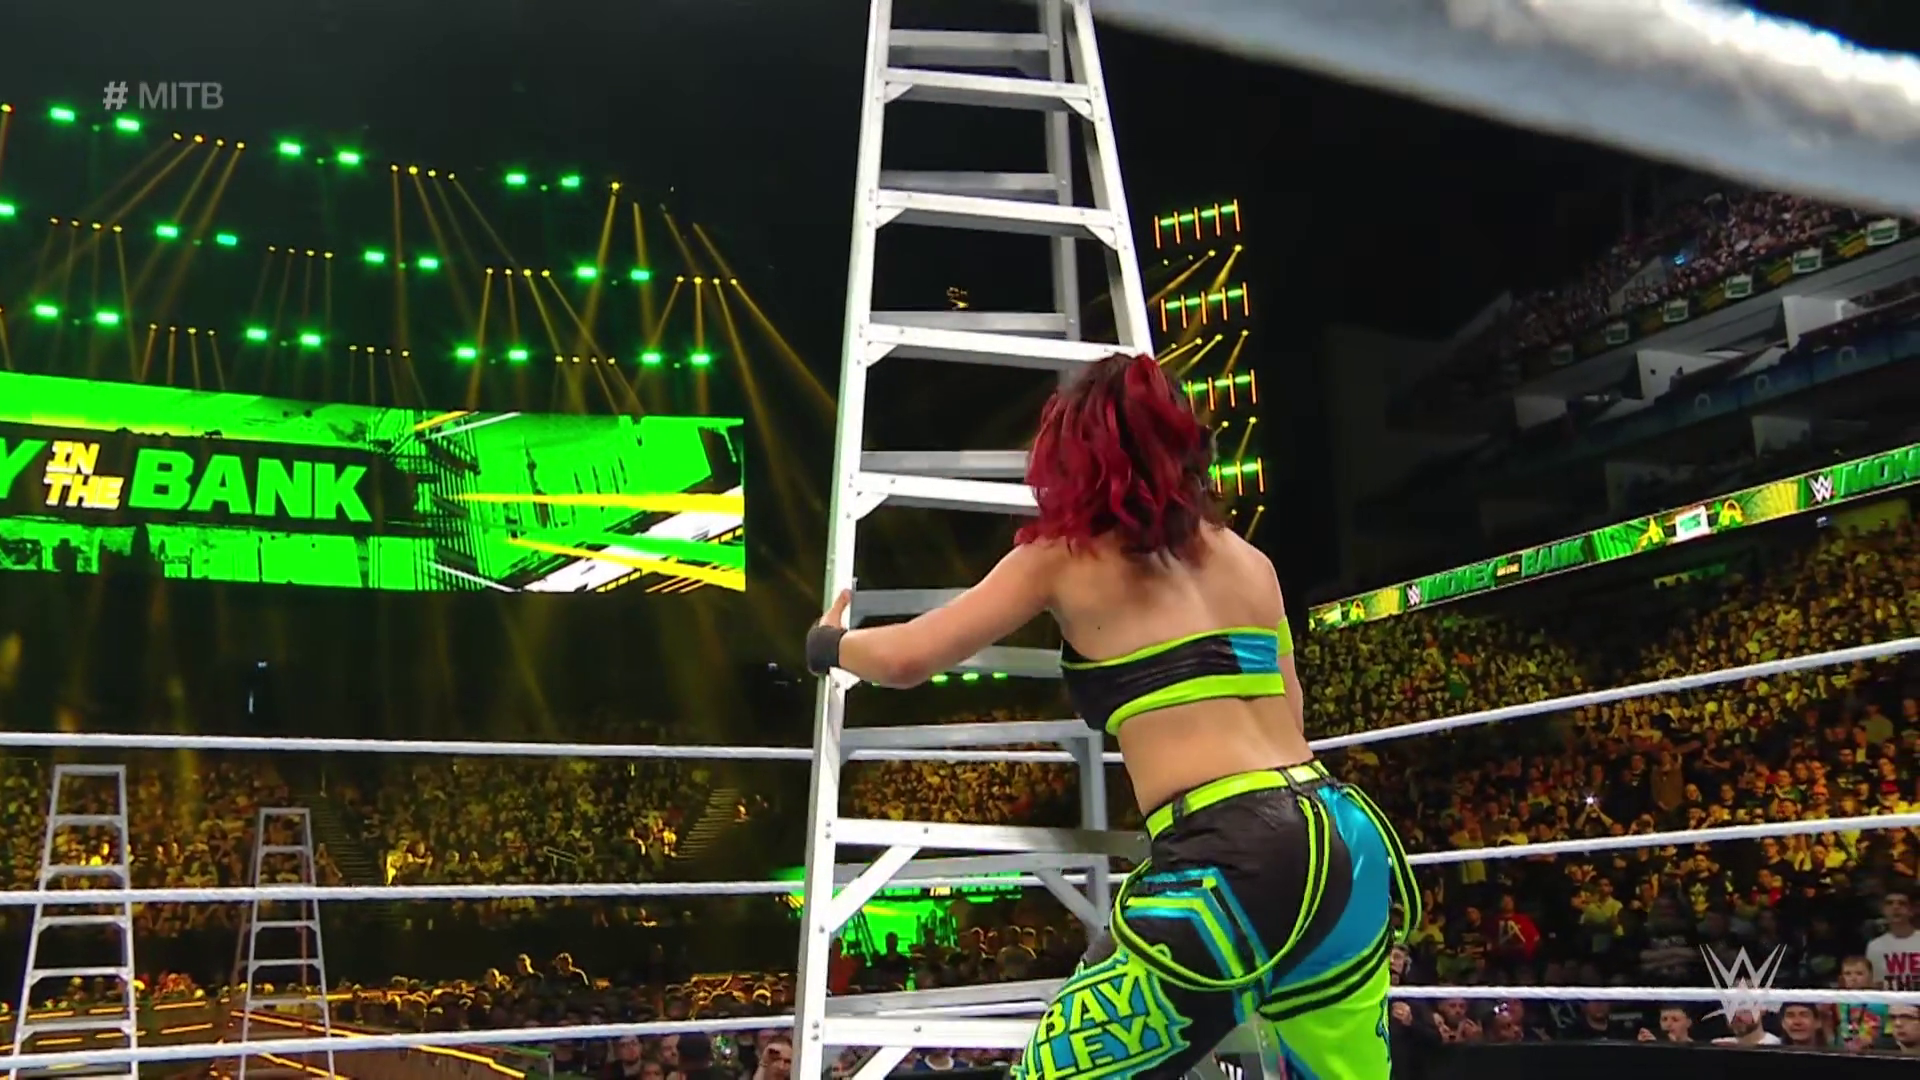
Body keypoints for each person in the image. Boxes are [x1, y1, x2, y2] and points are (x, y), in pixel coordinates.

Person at [806, 352, 1416, 1079]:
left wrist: (829, 644)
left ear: (1071, 455)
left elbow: (908, 657)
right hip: (1343, 833)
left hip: (1236, 849)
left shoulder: (1061, 557)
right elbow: (1293, 710)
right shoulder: (1250, 561)